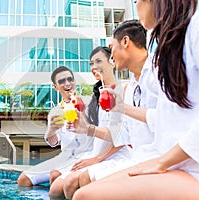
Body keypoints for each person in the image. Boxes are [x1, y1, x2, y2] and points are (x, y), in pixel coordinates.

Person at [73, 1, 199, 199]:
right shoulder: (171, 50)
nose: (137, 4)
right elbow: (164, 120)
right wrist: (121, 108)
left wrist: (162, 161)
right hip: (170, 160)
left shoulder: (194, 30)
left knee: (85, 195)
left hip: (188, 166)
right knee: (81, 189)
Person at [63, 19, 158, 199]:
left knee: (82, 193)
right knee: (75, 187)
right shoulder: (131, 87)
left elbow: (165, 120)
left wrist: (122, 108)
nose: (112, 55)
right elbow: (123, 134)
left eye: (111, 47)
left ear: (125, 42)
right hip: (139, 159)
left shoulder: (159, 73)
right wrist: (86, 128)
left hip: (156, 160)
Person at [49, 47, 131, 199]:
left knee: (70, 183)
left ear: (112, 62)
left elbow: (122, 137)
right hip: (97, 153)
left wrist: (96, 159)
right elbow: (89, 128)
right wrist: (77, 123)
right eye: (91, 63)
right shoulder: (98, 96)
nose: (94, 67)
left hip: (115, 155)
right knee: (55, 188)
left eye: (98, 61)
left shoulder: (123, 90)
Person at [17, 66, 95, 187]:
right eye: (61, 81)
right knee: (23, 179)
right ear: (55, 86)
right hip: (65, 157)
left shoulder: (88, 102)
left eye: (70, 79)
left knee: (55, 175)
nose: (67, 83)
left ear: (74, 82)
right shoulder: (56, 111)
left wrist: (80, 107)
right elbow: (53, 142)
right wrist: (51, 131)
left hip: (87, 154)